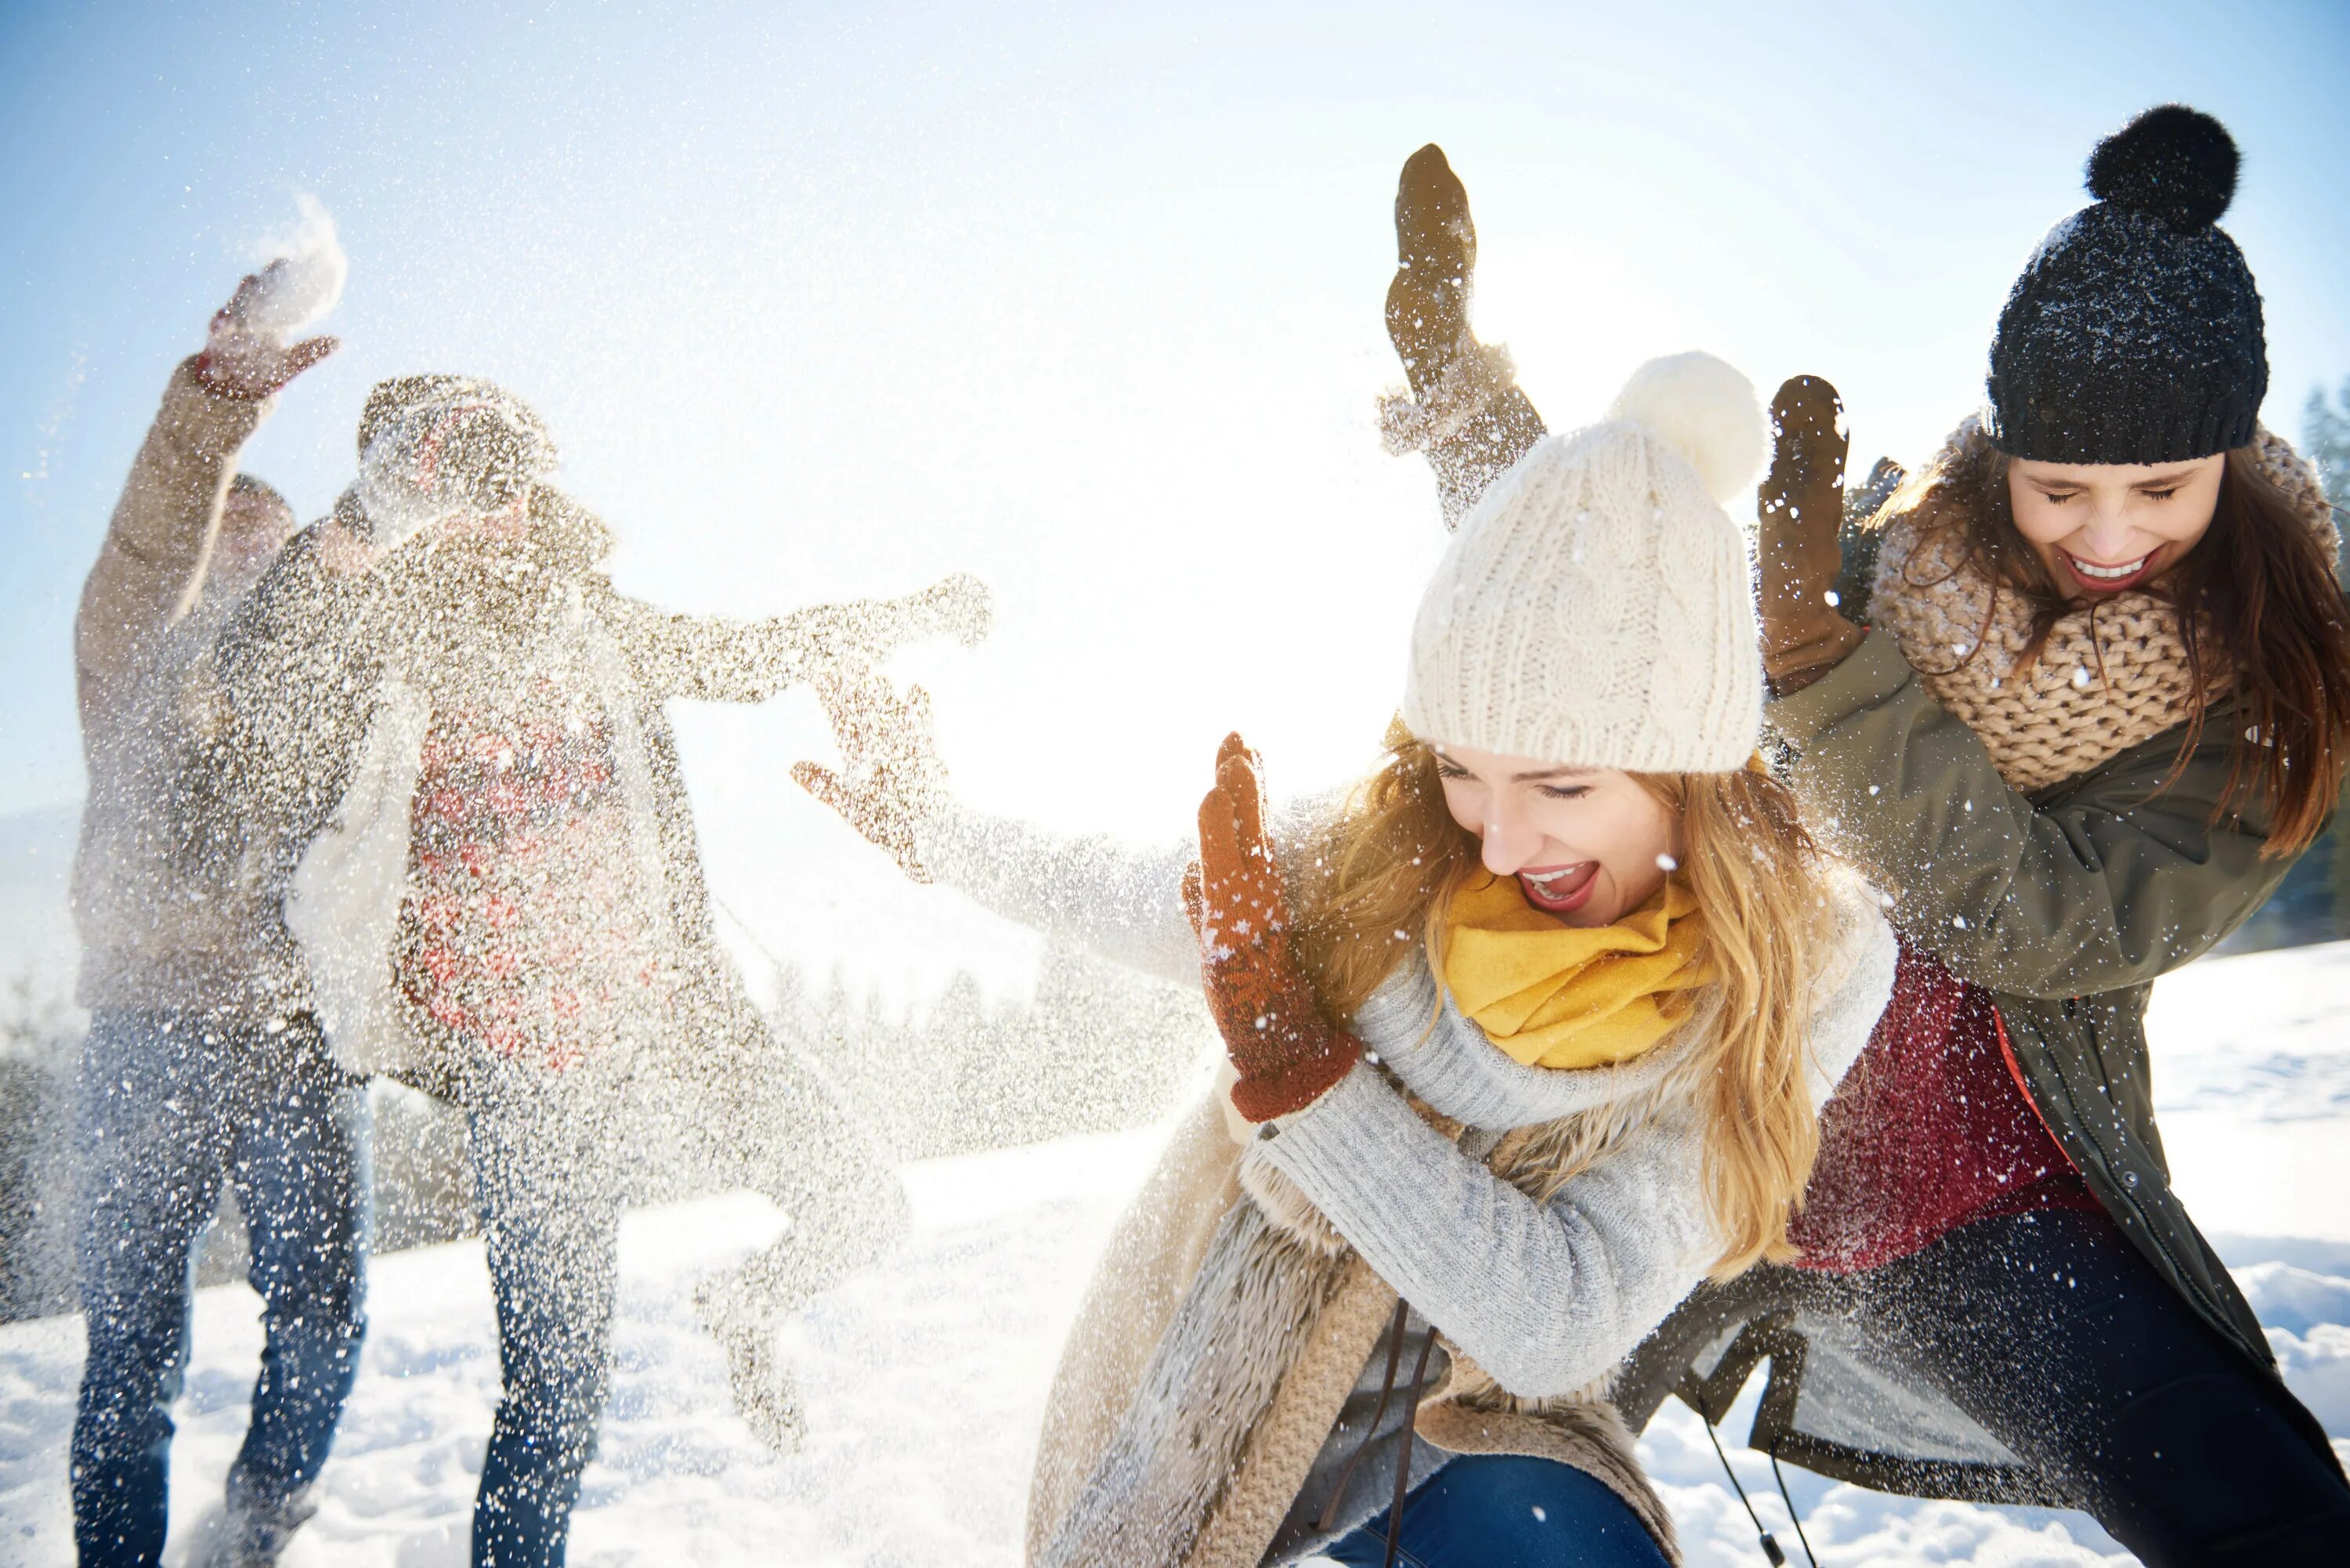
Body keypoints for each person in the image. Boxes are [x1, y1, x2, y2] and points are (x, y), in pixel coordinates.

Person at [1378, 109, 2350, 1563]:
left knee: (2266, 1513)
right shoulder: (1875, 565)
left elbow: (2042, 922)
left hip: (1976, 1215)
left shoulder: (2257, 697)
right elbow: (1593, 611)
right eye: (2059, 486)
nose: (2104, 533)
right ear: (1999, 456)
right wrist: (1456, 385)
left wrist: (1821, 677)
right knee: (1441, 1481)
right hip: (1698, 1164)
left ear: (2228, 460)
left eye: (2160, 489)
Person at [797, 353, 1898, 1566]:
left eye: (1563, 784)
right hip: (1224, 1375)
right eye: (1464, 767)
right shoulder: (1381, 857)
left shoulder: (1807, 964)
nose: (1502, 834)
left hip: (1472, 1422)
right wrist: (937, 829)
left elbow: (1558, 1318)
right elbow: (1117, 884)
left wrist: (1307, 1083)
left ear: (1691, 770)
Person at [199, 375, 987, 1567]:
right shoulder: (365, 652)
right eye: (459, 487)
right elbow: (254, 688)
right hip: (528, 1073)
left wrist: (911, 612)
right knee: (557, 1400)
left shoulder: (592, 616)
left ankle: (744, 1303)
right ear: (410, 501)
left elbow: (750, 652)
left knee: (867, 1203)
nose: (498, 514)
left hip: (674, 1013)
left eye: (510, 485)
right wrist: (365, 515)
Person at [69, 269, 362, 1568]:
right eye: (227, 537)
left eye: (273, 544)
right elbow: (147, 549)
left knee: (324, 1313)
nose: (250, 558)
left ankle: (251, 1526)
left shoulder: (321, 680)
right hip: (147, 1022)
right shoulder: (137, 652)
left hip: (298, 1032)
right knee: (132, 1345)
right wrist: (211, 422)